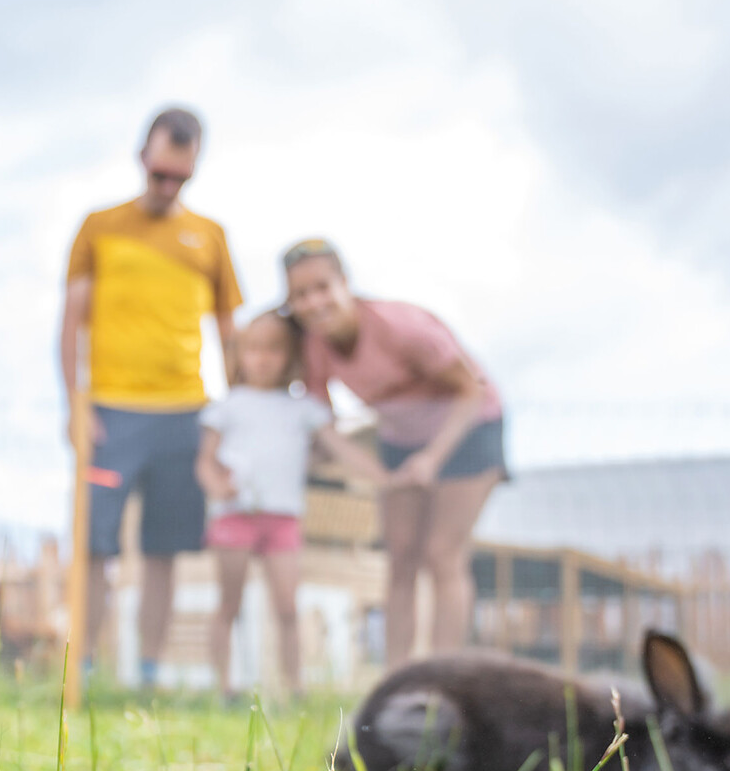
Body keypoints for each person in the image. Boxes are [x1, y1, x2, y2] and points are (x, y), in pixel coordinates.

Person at [59, 106, 243, 687]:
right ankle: (83, 666)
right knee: (96, 545)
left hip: (186, 414)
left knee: (165, 548)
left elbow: (229, 332)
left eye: (180, 178)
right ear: (143, 156)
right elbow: (71, 323)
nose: (168, 186)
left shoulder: (210, 238)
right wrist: (76, 406)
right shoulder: (99, 226)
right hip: (111, 412)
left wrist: (234, 415)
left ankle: (149, 671)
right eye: (160, 172)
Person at [282, 238, 506, 667]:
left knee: (442, 551)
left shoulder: (402, 327)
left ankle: (443, 677)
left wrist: (432, 459)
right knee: (400, 556)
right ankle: (397, 678)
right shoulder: (315, 347)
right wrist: (377, 475)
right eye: (299, 294)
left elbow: (469, 390)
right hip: (401, 438)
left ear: (345, 283)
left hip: (469, 425)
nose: (313, 302)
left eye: (321, 287)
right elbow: (325, 427)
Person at [197, 311, 388, 700]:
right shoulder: (227, 406)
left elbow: (339, 446)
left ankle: (294, 687)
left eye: (273, 349)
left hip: (283, 518)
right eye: (253, 349)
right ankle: (223, 688)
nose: (263, 359)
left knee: (287, 606)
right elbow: (205, 460)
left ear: (290, 356)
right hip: (235, 516)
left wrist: (386, 479)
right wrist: (217, 485)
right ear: (240, 355)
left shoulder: (303, 408)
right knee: (228, 604)